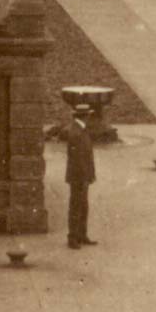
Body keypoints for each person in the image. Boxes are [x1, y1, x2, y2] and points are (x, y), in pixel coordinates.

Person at [64, 105, 97, 248]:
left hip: (82, 176)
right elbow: (78, 159)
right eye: (89, 115)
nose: (90, 117)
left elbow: (87, 156)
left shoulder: (80, 130)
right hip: (78, 177)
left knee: (83, 206)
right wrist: (84, 177)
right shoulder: (77, 133)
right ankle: (73, 238)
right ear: (85, 116)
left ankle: (81, 235)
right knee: (77, 206)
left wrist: (90, 175)